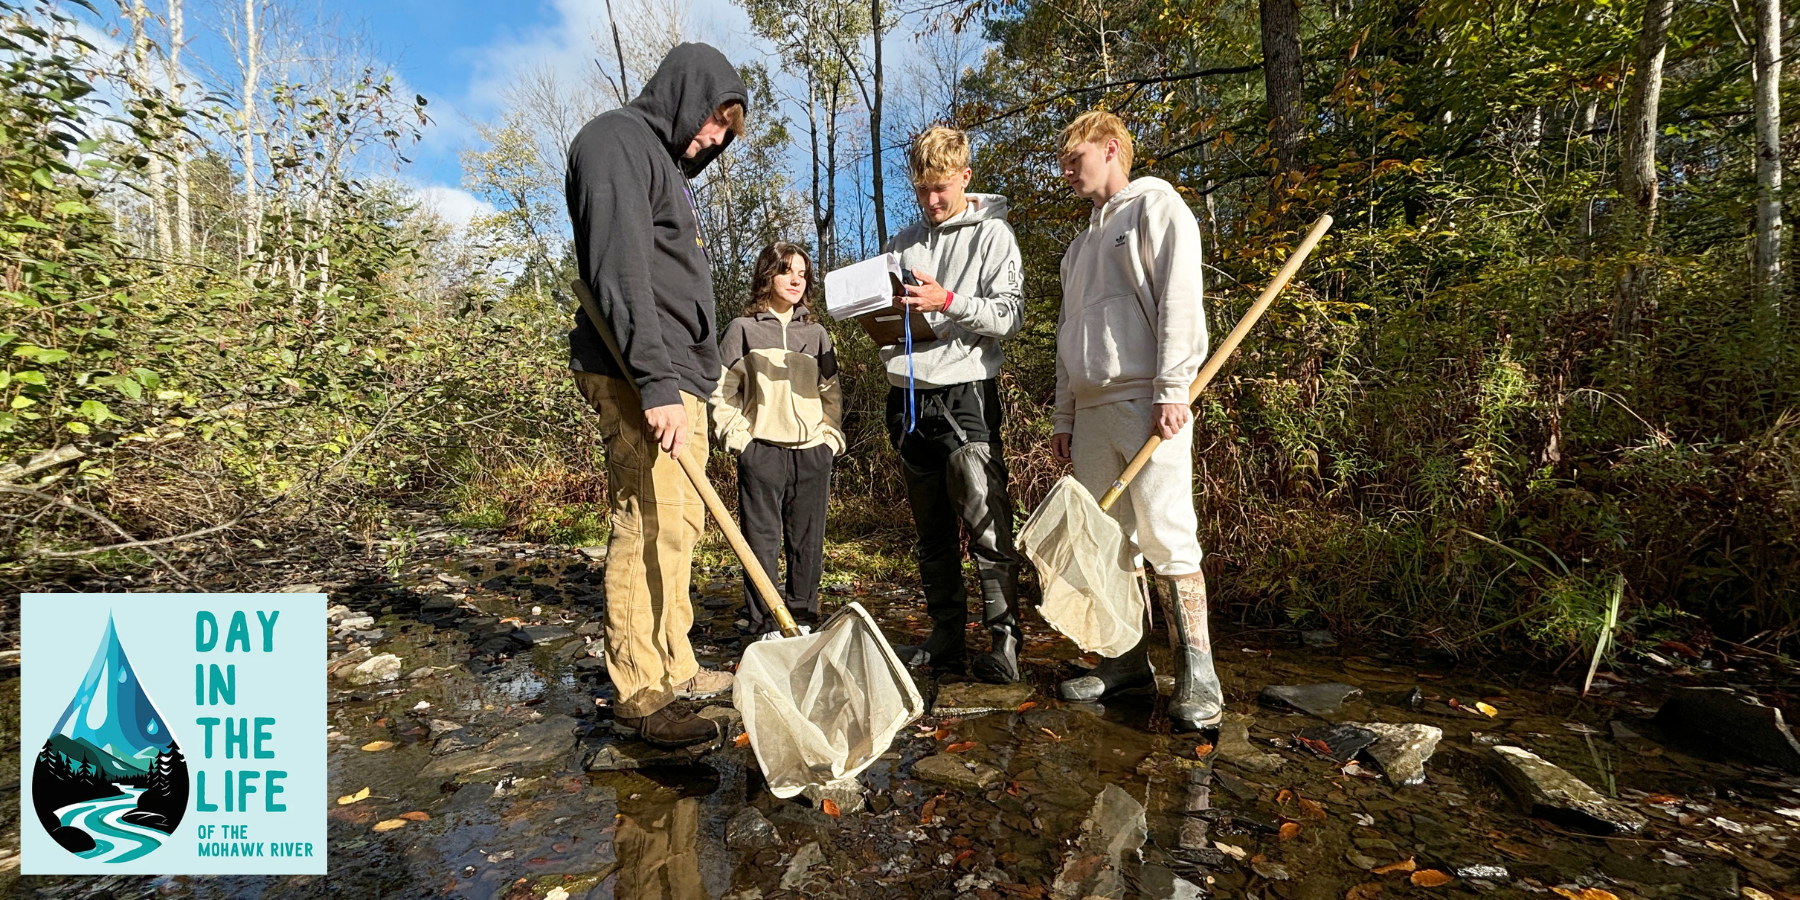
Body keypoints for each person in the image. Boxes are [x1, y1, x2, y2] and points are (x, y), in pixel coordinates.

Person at [565, 43, 747, 748]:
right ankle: (641, 691)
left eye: (725, 134)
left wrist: (684, 381)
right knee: (645, 517)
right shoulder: (615, 141)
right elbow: (620, 270)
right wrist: (656, 380)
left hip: (678, 377)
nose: (715, 139)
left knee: (680, 525)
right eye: (714, 122)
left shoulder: (663, 165)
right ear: (684, 93)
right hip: (642, 372)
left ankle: (676, 662)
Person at [1050, 109, 1222, 731]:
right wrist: (1064, 413)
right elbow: (1070, 336)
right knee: (1108, 543)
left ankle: (1198, 673)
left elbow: (1180, 299)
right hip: (1092, 411)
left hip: (1151, 403)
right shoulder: (1076, 249)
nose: (1067, 171)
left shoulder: (1158, 209)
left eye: (1077, 159)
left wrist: (1173, 387)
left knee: (1168, 534)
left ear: (1113, 148)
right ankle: (1126, 664)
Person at [883, 126, 1026, 684]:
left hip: (966, 392)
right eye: (922, 190)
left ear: (965, 177)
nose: (931, 200)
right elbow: (893, 321)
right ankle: (946, 635)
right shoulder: (903, 240)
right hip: (907, 396)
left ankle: (1005, 640)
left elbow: (1010, 317)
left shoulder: (995, 236)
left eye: (940, 187)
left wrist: (946, 301)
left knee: (987, 524)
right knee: (931, 530)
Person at [710, 242, 845, 640]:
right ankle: (765, 623)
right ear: (767, 276)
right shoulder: (742, 330)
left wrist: (828, 440)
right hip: (762, 450)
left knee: (808, 543)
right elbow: (721, 390)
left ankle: (802, 618)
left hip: (811, 454)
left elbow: (831, 394)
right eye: (787, 271)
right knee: (761, 544)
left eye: (802, 273)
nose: (796, 280)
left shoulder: (817, 334)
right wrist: (740, 440)